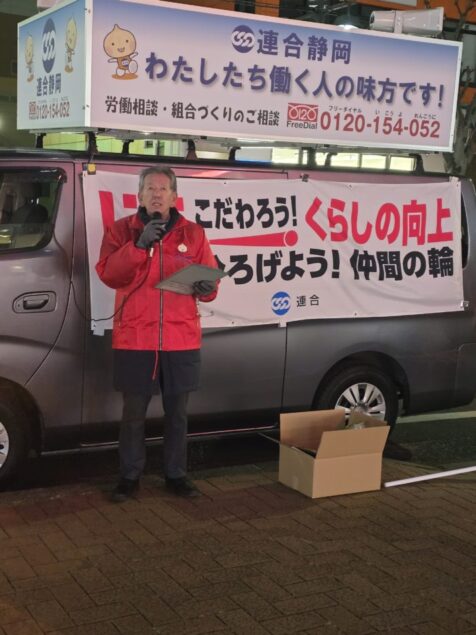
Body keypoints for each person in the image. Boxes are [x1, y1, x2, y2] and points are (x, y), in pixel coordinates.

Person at [96, 166, 219, 501]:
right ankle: (129, 477)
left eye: (163, 189)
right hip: (136, 338)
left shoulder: (193, 233)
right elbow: (109, 274)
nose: (156, 194)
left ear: (174, 197)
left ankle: (176, 475)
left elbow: (209, 284)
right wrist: (139, 245)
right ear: (139, 195)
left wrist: (208, 288)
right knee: (133, 414)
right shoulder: (121, 230)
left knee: (177, 414)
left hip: (181, 339)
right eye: (150, 188)